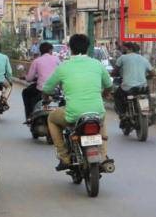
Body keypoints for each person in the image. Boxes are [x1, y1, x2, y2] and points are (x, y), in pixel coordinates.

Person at [43, 34, 113, 171]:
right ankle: (103, 156)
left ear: (70, 48)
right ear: (88, 48)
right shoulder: (97, 64)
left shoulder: (64, 67)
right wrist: (104, 94)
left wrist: (46, 97)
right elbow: (109, 86)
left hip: (73, 115)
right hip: (96, 111)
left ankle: (64, 157)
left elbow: (47, 88)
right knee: (101, 120)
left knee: (51, 119)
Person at [113, 42, 154, 121]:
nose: (122, 50)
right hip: (143, 87)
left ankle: (122, 114)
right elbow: (153, 73)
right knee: (148, 97)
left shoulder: (122, 58)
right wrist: (146, 77)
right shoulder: (144, 59)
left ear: (130, 49)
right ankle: (148, 111)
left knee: (117, 95)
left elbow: (115, 71)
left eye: (124, 48)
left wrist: (113, 74)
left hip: (128, 87)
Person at [22, 41, 60, 121]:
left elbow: (29, 78)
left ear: (40, 51)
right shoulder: (57, 59)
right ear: (50, 50)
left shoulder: (36, 61)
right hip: (56, 89)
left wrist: (24, 77)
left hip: (41, 90)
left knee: (25, 92)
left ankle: (29, 116)